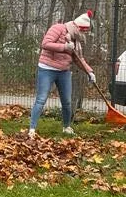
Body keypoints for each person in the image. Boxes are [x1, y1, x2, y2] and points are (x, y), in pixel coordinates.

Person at [29, 10, 96, 138]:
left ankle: (66, 127)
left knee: (67, 101)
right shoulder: (58, 28)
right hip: (47, 68)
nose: (83, 35)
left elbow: (78, 59)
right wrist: (64, 47)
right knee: (41, 99)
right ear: (78, 27)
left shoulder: (76, 41)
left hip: (64, 71)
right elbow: (45, 44)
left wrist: (90, 72)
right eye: (83, 31)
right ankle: (32, 129)